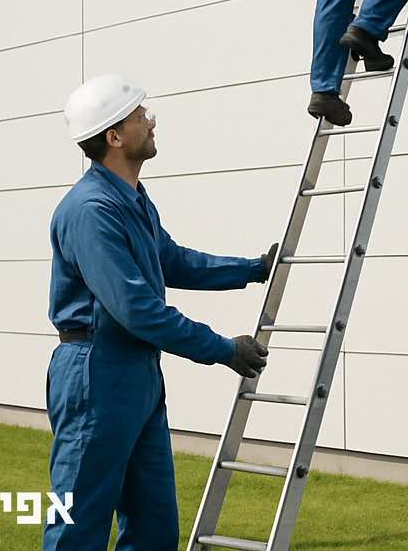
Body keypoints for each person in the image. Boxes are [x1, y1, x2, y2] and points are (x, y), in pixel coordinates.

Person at [46, 74, 277, 551]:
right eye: (139, 116)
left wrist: (252, 269)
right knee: (78, 526)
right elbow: (138, 310)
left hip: (138, 375)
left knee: (154, 527)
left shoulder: (132, 199)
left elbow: (171, 260)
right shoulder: (91, 210)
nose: (151, 121)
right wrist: (222, 349)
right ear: (114, 136)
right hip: (97, 375)